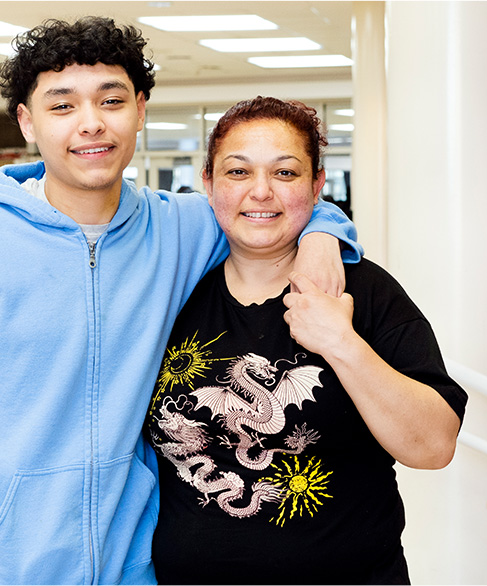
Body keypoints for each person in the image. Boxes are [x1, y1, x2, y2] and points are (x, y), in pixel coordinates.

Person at [0, 18, 362, 586]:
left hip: (129, 570)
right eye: (62, 106)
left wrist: (322, 235)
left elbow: (274, 204)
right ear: (27, 121)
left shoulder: (180, 228)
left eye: (111, 100)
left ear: (140, 109)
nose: (91, 124)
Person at [144, 96, 467, 585]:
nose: (260, 192)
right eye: (237, 172)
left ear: (317, 185)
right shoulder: (173, 291)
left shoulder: (364, 292)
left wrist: (342, 343)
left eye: (286, 173)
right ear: (208, 183)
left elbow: (433, 445)